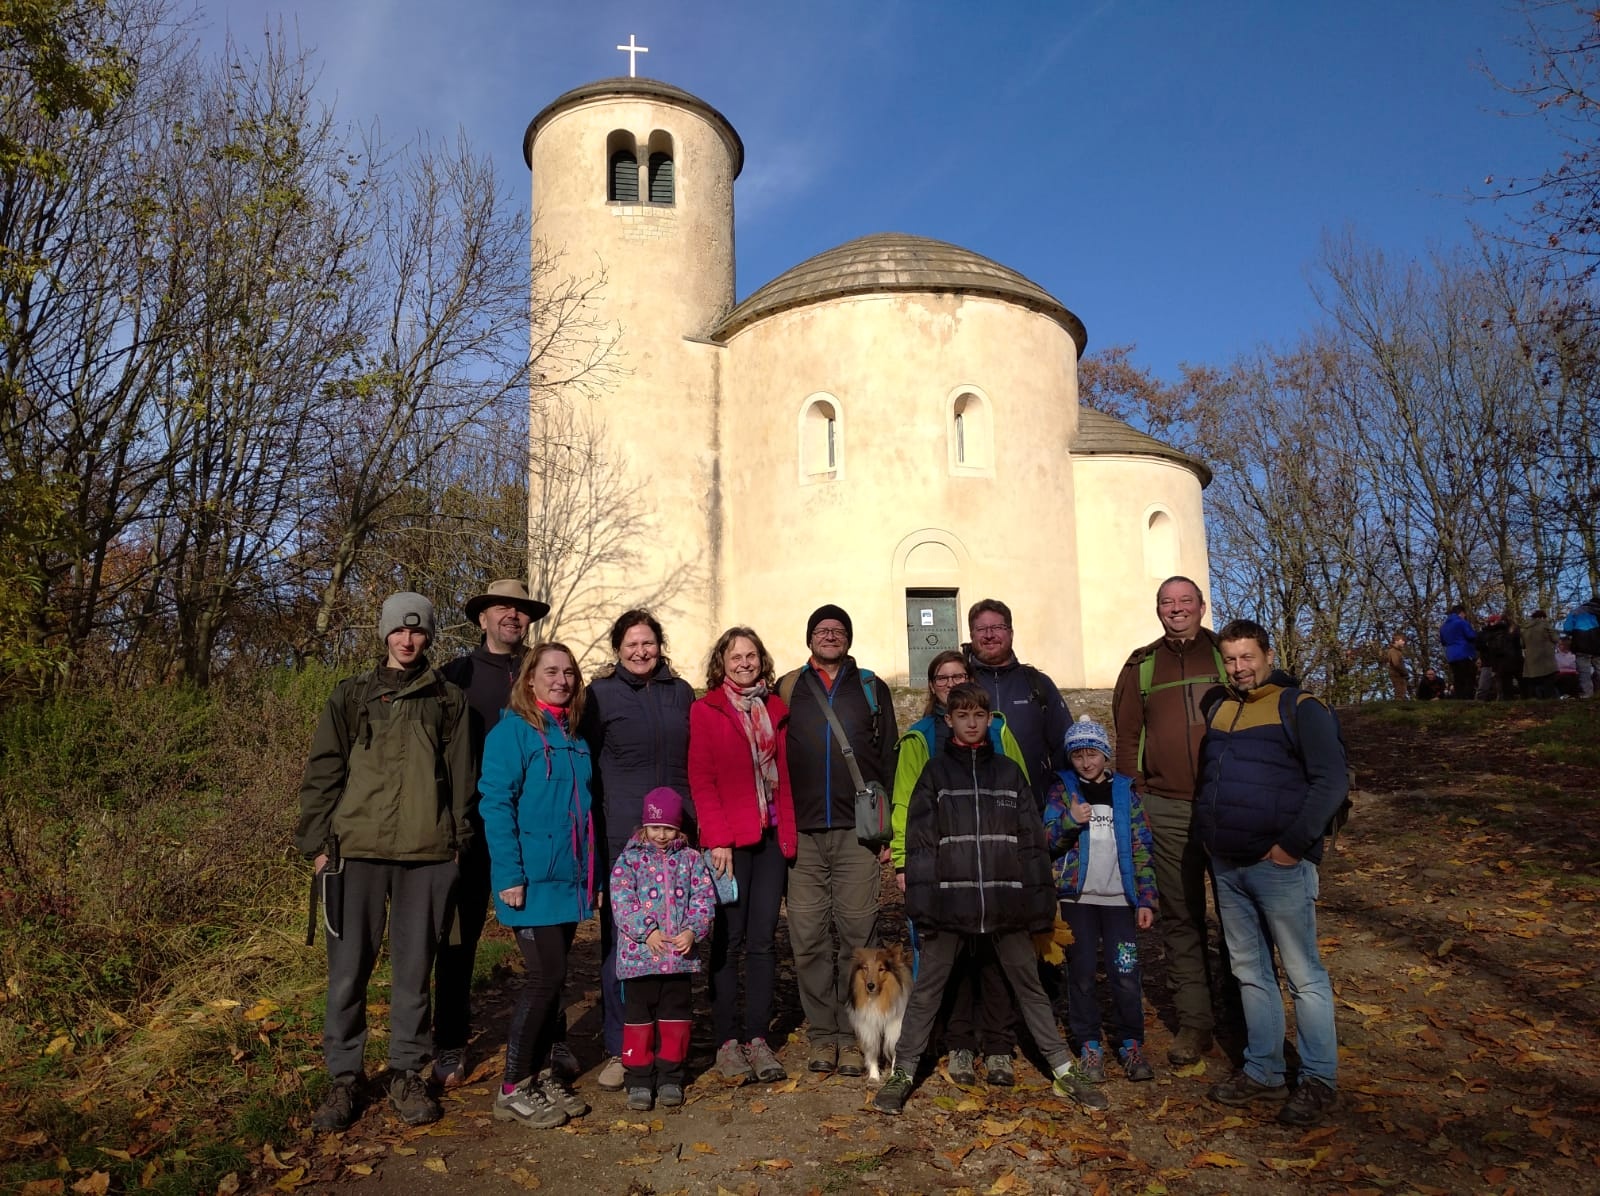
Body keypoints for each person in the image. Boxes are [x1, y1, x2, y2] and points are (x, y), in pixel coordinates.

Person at [871, 683, 1105, 1115]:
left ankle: (1062, 1067)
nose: (972, 722)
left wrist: (1038, 908)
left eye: (980, 714)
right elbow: (920, 848)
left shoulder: (1009, 774)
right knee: (928, 992)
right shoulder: (935, 775)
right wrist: (921, 909)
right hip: (949, 907)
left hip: (1006, 904)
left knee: (1029, 988)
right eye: (963, 716)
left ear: (989, 719)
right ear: (950, 721)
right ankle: (903, 1071)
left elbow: (1032, 845)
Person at [296, 592, 473, 1131]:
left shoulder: (449, 700)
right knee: (348, 973)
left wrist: (458, 845)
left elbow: (462, 782)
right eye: (399, 631)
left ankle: (405, 1071)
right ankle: (344, 1078)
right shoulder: (351, 696)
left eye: (418, 632)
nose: (408, 640)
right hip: (356, 855)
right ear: (385, 634)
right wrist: (318, 844)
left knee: (413, 973)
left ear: (429, 637)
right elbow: (324, 771)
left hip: (427, 856)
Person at [1195, 619, 1346, 1128]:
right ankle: (1263, 1069)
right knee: (1249, 971)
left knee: (1304, 975)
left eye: (1247, 657)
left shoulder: (1300, 707)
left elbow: (1331, 782)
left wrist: (1290, 846)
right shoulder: (1220, 709)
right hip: (1228, 865)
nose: (1239, 668)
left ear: (1267, 654)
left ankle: (1320, 1079)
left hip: (1277, 865)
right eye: (1231, 659)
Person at [434, 579, 553, 1088]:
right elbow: (433, 757)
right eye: (501, 608)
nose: (512, 615)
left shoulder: (540, 671)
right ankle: (449, 1044)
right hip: (469, 830)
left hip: (532, 831)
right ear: (482, 618)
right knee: (457, 943)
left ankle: (552, 1040)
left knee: (546, 943)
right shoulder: (454, 677)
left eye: (521, 610)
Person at [890, 649, 1028, 1087]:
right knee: (947, 963)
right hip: (945, 868)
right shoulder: (919, 739)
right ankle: (958, 1043)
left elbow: (1019, 791)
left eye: (958, 676)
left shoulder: (999, 732)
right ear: (933, 689)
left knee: (993, 960)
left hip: (995, 864)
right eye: (942, 679)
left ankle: (999, 1045)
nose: (950, 684)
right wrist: (903, 859)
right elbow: (906, 804)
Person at [1110, 576, 1229, 1066]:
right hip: (1165, 806)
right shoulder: (1143, 665)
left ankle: (1243, 1023)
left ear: (1202, 605)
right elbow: (1126, 735)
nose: (1176, 609)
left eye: (1185, 601)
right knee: (1181, 920)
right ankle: (1196, 1023)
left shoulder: (1229, 655)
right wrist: (1134, 798)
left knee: (1240, 919)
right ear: (1157, 609)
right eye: (1167, 602)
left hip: (1228, 805)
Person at [780, 603, 899, 1077]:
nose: (830, 636)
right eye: (821, 630)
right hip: (803, 834)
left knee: (859, 940)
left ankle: (857, 1037)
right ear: (809, 638)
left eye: (838, 630)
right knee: (807, 939)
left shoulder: (871, 688)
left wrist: (887, 830)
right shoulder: (788, 688)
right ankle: (822, 1034)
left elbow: (888, 759)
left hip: (857, 834)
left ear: (849, 638)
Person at [480, 643, 595, 1130]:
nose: (561, 680)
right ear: (529, 679)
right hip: (528, 882)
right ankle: (512, 1086)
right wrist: (508, 876)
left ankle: (545, 1071)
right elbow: (495, 805)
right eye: (551, 671)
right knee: (544, 978)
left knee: (556, 979)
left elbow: (584, 816)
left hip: (567, 882)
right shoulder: (512, 733)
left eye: (569, 672)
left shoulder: (574, 738)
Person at [582, 610, 695, 1091]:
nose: (641, 651)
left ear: (660, 645)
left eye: (648, 643)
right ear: (617, 648)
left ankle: (670, 1043)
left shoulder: (682, 692)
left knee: (679, 934)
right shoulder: (600, 695)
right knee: (624, 941)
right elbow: (586, 763)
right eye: (632, 644)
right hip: (622, 836)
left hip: (679, 836)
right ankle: (619, 1046)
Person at [690, 626, 798, 1085]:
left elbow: (788, 776)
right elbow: (702, 778)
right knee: (729, 941)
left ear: (761, 660)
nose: (743, 662)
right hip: (729, 844)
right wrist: (716, 839)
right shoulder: (707, 709)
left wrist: (790, 835)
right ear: (722, 662)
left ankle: (757, 1037)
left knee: (762, 941)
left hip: (772, 838)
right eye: (735, 656)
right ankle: (726, 1041)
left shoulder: (776, 708)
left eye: (751, 655)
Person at [1043, 716, 1158, 1085]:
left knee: (1125, 972)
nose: (1086, 762)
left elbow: (1141, 847)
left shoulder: (1125, 792)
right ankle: (1089, 1043)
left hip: (1120, 903)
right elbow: (1046, 840)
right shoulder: (1062, 791)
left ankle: (1131, 1042)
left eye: (1093, 754)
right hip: (1078, 900)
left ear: (1105, 754)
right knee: (1081, 974)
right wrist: (1070, 822)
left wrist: (1146, 899)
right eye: (1078, 755)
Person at [610, 787, 717, 1111]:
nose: (661, 834)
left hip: (678, 959)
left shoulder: (691, 860)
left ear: (678, 829)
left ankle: (671, 1075)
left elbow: (704, 899)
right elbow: (621, 899)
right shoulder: (629, 859)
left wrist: (692, 931)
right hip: (640, 959)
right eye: (655, 827)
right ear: (644, 826)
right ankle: (639, 1079)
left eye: (668, 828)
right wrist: (647, 930)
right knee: (639, 1021)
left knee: (675, 1019)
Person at [963, 598, 1072, 809]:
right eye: (981, 629)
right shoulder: (960, 683)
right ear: (971, 636)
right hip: (972, 811)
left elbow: (1063, 747)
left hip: (1032, 807)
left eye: (997, 627)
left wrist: (1060, 801)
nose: (989, 635)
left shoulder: (1038, 684)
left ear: (1011, 633)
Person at [1562, 596, 1600, 697]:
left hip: (1581, 645)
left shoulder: (1576, 612)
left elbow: (1567, 628)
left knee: (1584, 672)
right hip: (1598, 645)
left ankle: (1587, 696)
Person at [1439, 606, 1477, 701]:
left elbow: (1443, 642)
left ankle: (1459, 698)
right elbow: (1471, 635)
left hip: (1451, 655)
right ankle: (1468, 698)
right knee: (1469, 676)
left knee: (1457, 678)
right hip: (1464, 652)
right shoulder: (1461, 622)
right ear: (1461, 613)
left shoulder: (1443, 627)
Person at [1521, 610, 1560, 700]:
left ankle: (1535, 699)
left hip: (1531, 661)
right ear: (1543, 617)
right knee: (1548, 680)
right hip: (1546, 659)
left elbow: (1522, 644)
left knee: (1534, 682)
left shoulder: (1525, 628)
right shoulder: (1545, 625)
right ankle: (1549, 699)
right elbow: (1555, 639)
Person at [1382, 634, 1409, 701]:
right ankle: (1398, 708)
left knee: (1402, 691)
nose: (1403, 642)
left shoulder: (1397, 651)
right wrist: (1404, 672)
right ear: (1396, 641)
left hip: (1399, 673)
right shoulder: (1393, 651)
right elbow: (1396, 664)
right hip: (1396, 674)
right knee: (1400, 692)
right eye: (1402, 640)